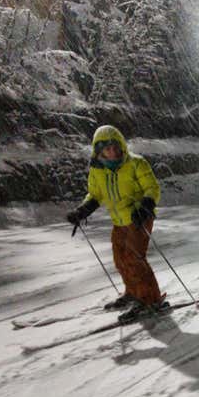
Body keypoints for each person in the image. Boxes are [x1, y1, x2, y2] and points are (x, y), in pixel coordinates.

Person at [66, 124, 167, 323]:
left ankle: (149, 299)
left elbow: (152, 188)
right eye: (107, 149)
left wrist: (146, 205)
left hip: (139, 217)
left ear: (121, 146)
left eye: (115, 147)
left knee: (134, 258)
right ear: (99, 151)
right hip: (119, 220)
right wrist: (82, 211)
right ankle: (133, 292)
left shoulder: (136, 163)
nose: (112, 152)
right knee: (120, 258)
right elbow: (95, 195)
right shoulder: (97, 170)